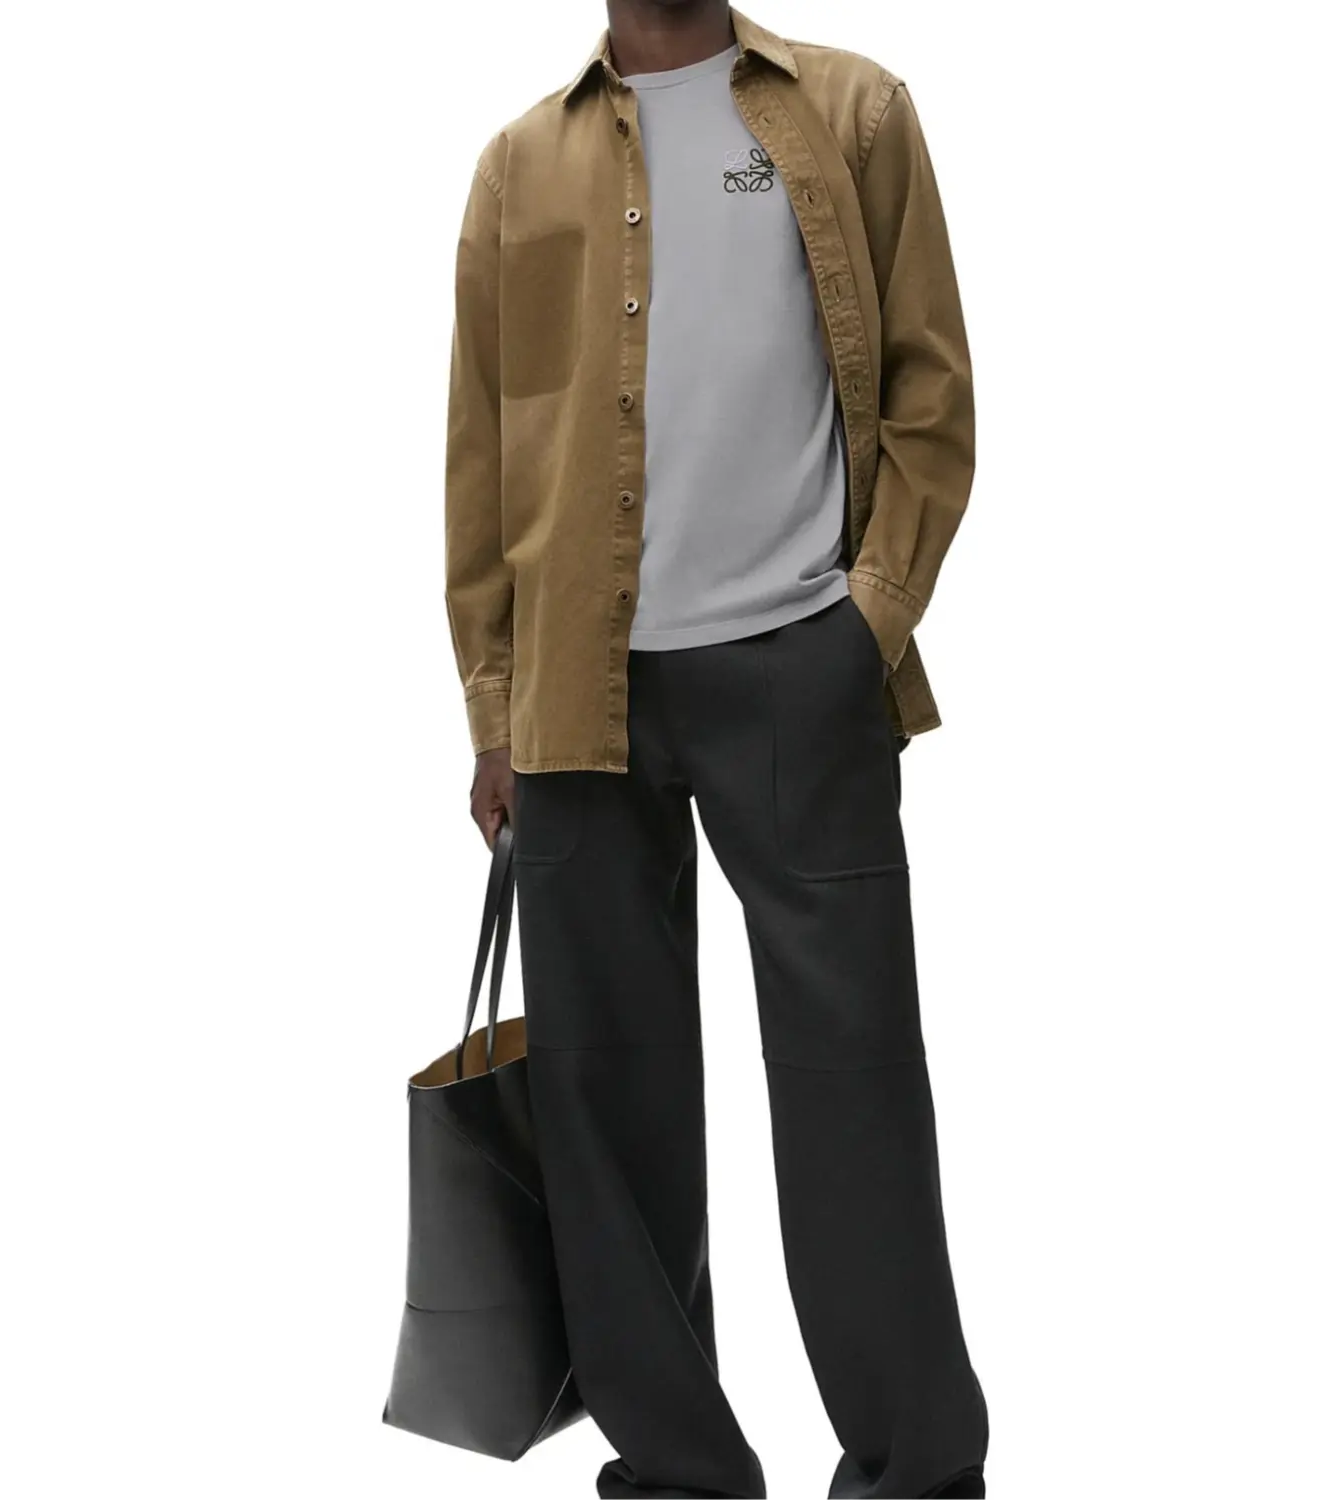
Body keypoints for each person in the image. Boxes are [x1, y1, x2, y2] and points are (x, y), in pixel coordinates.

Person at [443, 3, 986, 1496]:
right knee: (606, 1116)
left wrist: (867, 624)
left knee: (854, 1091)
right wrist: (495, 707)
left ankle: (916, 1472)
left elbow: (933, 392)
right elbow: (482, 457)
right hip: (575, 700)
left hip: (800, 675)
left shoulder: (854, 113)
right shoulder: (516, 166)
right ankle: (679, 1474)